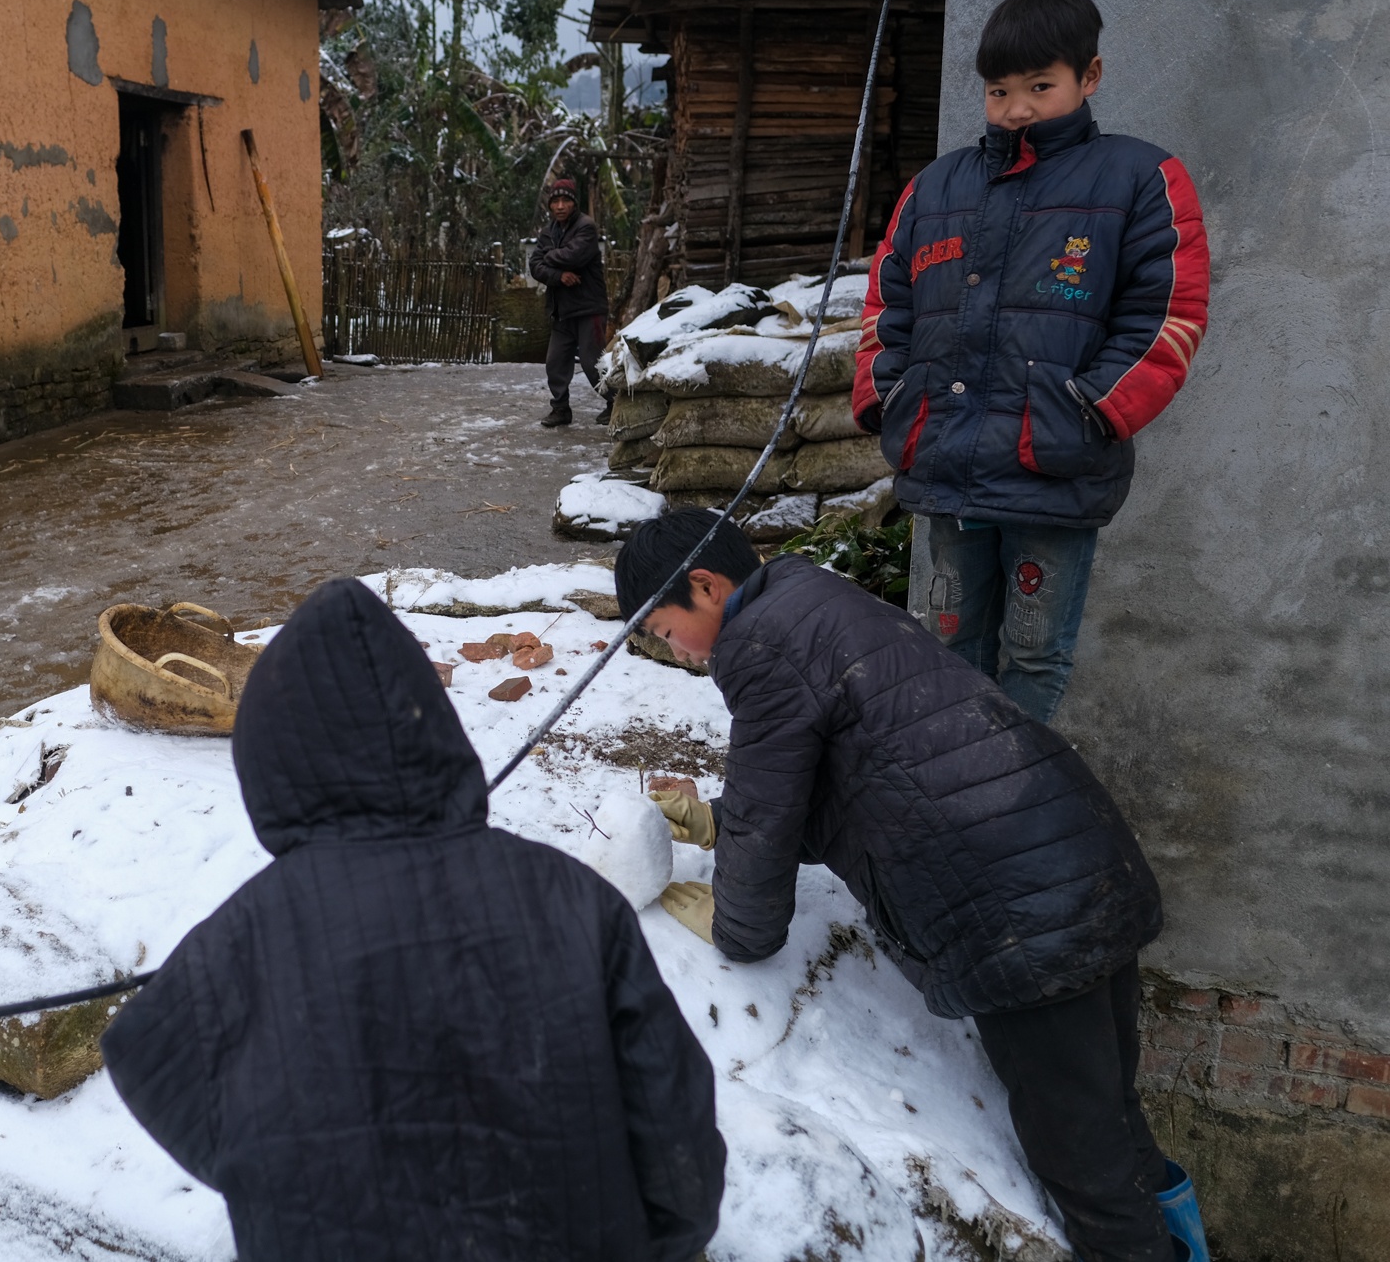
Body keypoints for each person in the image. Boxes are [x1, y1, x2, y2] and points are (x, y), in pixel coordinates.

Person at [616, 507, 1209, 1262]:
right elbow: (825, 787)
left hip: (1015, 917)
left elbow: (766, 833)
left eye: (669, 632)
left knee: (1083, 1165)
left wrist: (734, 927)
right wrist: (708, 820)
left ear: (705, 585)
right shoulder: (813, 600)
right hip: (1077, 859)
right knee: (1114, 1118)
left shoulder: (757, 648)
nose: (682, 655)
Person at [100, 578, 726, 1262]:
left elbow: (148, 1058)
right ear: (438, 730)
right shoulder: (575, 900)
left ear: (270, 758)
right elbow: (676, 1141)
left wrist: (269, 1173)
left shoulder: (234, 944)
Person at [851, 0, 1211, 723]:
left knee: (1036, 658)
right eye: (999, 91)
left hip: (1052, 472)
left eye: (1040, 87)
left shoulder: (1141, 180)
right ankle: (950, 798)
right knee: (940, 650)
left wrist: (1085, 412)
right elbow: (887, 306)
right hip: (947, 471)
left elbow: (1169, 313)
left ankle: (1010, 805)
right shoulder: (934, 189)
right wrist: (892, 399)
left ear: (1090, 76)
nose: (1017, 109)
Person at [529, 177, 612, 430]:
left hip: (588, 307)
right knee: (555, 361)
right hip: (561, 309)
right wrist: (558, 276)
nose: (561, 206)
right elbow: (535, 266)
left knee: (592, 361)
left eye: (566, 201)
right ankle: (560, 408)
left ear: (574, 204)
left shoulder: (586, 226)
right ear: (550, 205)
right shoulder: (548, 231)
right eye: (556, 201)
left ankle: (616, 402)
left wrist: (550, 257)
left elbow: (574, 256)